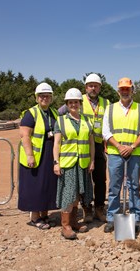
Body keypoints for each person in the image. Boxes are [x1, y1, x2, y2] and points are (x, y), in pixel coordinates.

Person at [102, 77, 140, 234]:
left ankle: (135, 218)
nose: (125, 91)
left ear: (132, 90)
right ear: (118, 91)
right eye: (122, 89)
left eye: (127, 88)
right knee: (114, 186)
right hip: (115, 153)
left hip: (134, 153)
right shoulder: (110, 109)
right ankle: (112, 218)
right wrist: (120, 146)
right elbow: (105, 131)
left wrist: (132, 146)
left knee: (134, 187)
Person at [53, 88, 95, 240]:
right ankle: (65, 226)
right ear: (66, 104)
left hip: (82, 163)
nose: (73, 104)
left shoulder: (86, 120)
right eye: (70, 102)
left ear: (80, 103)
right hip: (68, 164)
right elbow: (57, 144)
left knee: (78, 194)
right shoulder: (61, 120)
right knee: (69, 195)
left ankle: (74, 221)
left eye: (76, 102)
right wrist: (56, 163)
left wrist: (92, 161)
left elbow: (91, 144)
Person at [18, 82, 58, 230]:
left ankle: (44, 214)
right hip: (35, 157)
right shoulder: (31, 113)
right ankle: (35, 217)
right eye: (42, 96)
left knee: (47, 186)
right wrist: (29, 155)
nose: (45, 98)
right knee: (35, 187)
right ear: (36, 98)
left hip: (49, 155)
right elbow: (25, 135)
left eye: (48, 96)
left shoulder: (54, 113)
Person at [79, 73, 110, 223]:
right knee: (85, 179)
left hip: (98, 145)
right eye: (90, 85)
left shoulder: (106, 103)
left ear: (100, 88)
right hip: (83, 145)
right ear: (86, 87)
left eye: (96, 86)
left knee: (100, 179)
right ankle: (86, 209)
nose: (93, 88)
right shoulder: (79, 101)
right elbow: (61, 114)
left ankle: (99, 208)